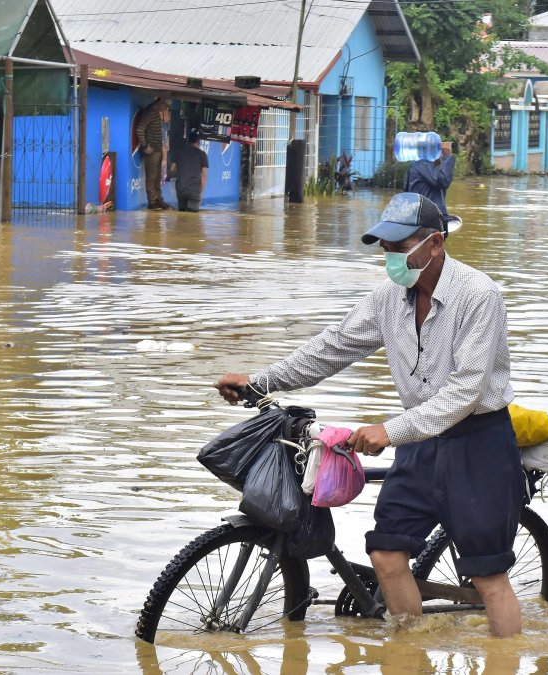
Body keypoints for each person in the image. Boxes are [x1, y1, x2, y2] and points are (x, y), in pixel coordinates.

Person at [214, 192, 525, 638]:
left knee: (488, 576)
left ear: (435, 243)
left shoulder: (479, 295)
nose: (390, 258)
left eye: (400, 249)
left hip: (478, 443)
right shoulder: (389, 297)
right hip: (420, 442)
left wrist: (389, 431)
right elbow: (332, 347)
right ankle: (410, 655)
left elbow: (465, 391)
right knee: (386, 553)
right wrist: (261, 382)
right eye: (386, 249)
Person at [404, 140, 455, 217]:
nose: (441, 152)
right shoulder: (422, 165)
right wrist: (447, 156)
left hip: (421, 215)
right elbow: (444, 181)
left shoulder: (419, 165)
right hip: (428, 218)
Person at [135, 98, 169, 210]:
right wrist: (145, 146)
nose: (166, 109)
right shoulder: (149, 112)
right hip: (152, 150)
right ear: (160, 103)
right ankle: (152, 201)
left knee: (157, 176)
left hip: (157, 150)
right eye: (166, 106)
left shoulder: (154, 112)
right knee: (152, 176)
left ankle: (159, 199)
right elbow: (140, 129)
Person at [171, 129, 208, 212]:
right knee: (193, 220)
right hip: (194, 190)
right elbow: (204, 175)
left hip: (180, 189)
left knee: (181, 218)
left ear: (188, 141)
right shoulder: (202, 154)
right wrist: (201, 192)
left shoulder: (179, 152)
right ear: (198, 141)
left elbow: (172, 169)